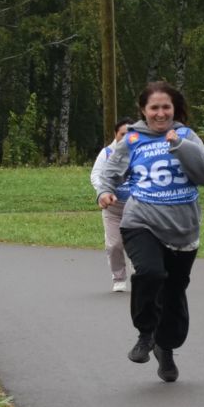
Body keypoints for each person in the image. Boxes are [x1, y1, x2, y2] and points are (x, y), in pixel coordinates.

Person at [99, 83, 204, 383]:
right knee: (150, 273)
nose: (160, 113)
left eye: (166, 107)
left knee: (174, 292)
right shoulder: (132, 139)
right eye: (154, 108)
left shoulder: (186, 136)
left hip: (183, 227)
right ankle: (145, 334)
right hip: (141, 220)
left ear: (174, 109)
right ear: (144, 111)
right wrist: (105, 192)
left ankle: (166, 348)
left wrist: (179, 145)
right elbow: (110, 173)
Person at [89, 120, 135, 292]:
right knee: (114, 245)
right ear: (116, 134)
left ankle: (139, 272)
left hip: (137, 208)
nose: (126, 138)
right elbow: (96, 175)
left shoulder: (140, 152)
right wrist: (103, 193)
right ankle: (119, 278)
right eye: (122, 134)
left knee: (139, 243)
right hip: (113, 209)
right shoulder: (107, 153)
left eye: (129, 134)